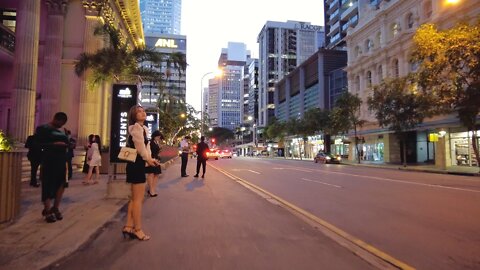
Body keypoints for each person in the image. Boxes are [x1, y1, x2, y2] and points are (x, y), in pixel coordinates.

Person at [122, 105, 159, 241]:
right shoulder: (137, 128)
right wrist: (148, 160)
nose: (143, 113)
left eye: (143, 111)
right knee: (138, 200)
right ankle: (138, 229)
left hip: (136, 164)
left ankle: (128, 226)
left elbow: (146, 149)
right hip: (136, 165)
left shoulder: (142, 129)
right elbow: (140, 148)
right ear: (134, 115)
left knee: (134, 198)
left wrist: (151, 159)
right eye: (139, 112)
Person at [35, 112, 69, 223]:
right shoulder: (43, 129)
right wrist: (54, 144)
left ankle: (55, 207)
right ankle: (47, 209)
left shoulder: (63, 131)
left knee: (61, 184)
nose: (61, 125)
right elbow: (36, 144)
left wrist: (68, 142)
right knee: (48, 184)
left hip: (61, 160)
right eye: (61, 123)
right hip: (49, 160)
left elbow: (67, 143)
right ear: (56, 119)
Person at [145, 130, 164, 197]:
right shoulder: (150, 142)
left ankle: (152, 189)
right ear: (154, 136)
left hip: (157, 160)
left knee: (156, 174)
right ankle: (151, 190)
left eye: (159, 137)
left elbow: (157, 151)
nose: (159, 138)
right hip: (151, 159)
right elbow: (148, 152)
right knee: (151, 174)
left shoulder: (156, 142)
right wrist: (151, 159)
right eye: (158, 137)